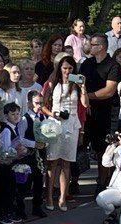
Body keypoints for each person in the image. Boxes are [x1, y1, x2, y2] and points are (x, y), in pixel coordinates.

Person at [79, 35, 121, 188]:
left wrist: (87, 96)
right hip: (87, 112)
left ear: (102, 47)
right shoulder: (87, 63)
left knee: (103, 150)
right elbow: (77, 80)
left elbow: (109, 91)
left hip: (106, 114)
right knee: (80, 145)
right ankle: (74, 180)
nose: (90, 46)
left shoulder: (113, 65)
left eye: (93, 44)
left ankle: (102, 182)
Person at [44, 56, 86, 211]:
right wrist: (53, 114)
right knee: (52, 161)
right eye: (64, 68)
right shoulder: (52, 82)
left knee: (66, 162)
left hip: (72, 124)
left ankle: (63, 197)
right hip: (55, 123)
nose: (67, 71)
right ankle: (48, 196)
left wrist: (83, 88)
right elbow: (42, 104)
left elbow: (85, 104)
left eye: (70, 68)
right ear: (59, 68)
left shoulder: (76, 82)